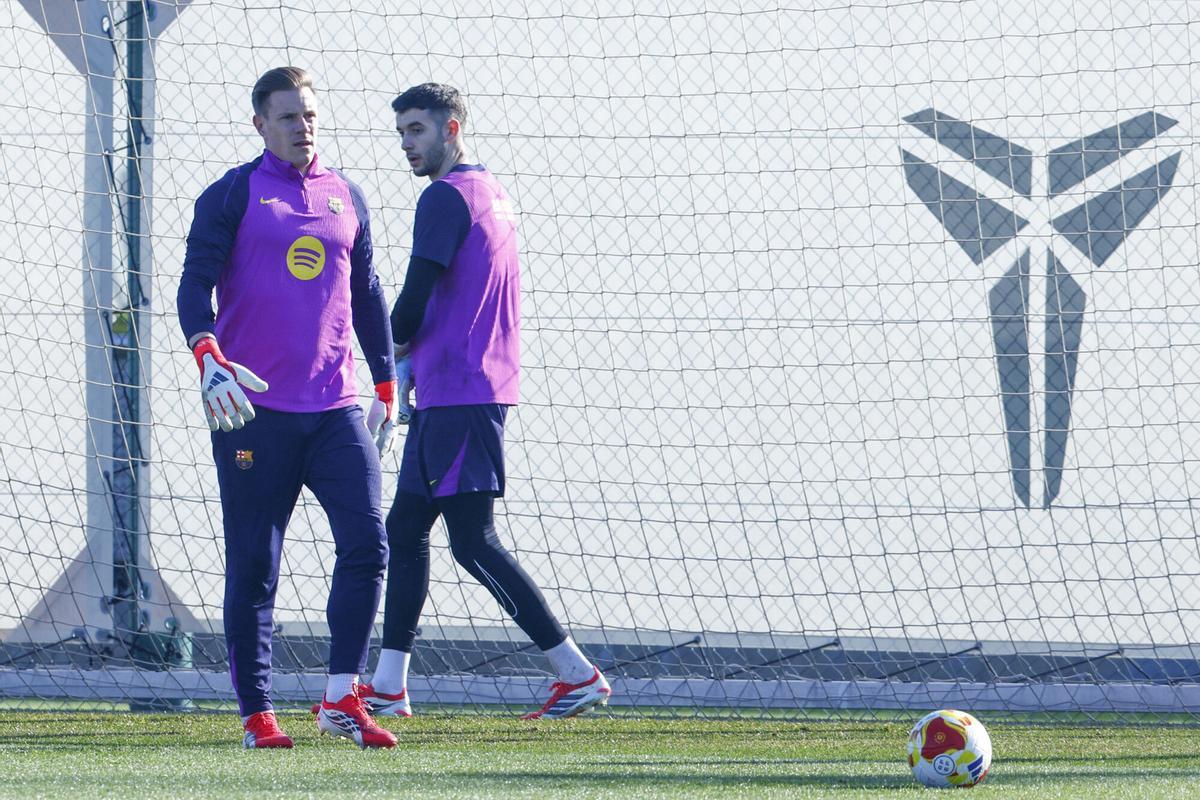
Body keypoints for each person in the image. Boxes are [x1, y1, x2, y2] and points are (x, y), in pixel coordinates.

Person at [361, 83, 611, 720]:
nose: (406, 146)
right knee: (405, 528)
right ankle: (389, 686)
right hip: (456, 388)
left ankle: (574, 671)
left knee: (472, 542)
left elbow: (412, 303)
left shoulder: (445, 197)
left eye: (416, 131)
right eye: (401, 135)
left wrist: (375, 362)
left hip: (463, 392)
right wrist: (411, 366)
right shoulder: (489, 190)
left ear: (450, 129)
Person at [176, 66, 399, 749]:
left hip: (335, 409)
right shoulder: (232, 193)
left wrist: (387, 386)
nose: (302, 127)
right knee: (255, 566)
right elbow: (193, 288)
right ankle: (257, 714)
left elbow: (366, 296)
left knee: (368, 544)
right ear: (260, 125)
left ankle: (341, 697)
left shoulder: (347, 195)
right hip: (253, 413)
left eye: (309, 114)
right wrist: (207, 355)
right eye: (288, 117)